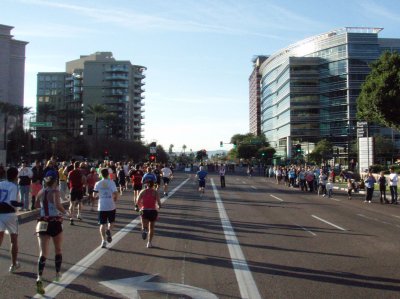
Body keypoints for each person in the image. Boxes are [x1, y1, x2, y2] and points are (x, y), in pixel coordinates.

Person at [34, 170, 69, 295]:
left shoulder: (41, 191)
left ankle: (39, 277)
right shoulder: (55, 191)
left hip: (42, 222)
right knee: (58, 250)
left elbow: (36, 205)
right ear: (56, 180)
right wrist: (66, 213)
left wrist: (45, 208)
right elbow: (57, 204)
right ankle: (58, 274)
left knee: (43, 253)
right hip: (54, 222)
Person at [0, 167, 22, 273]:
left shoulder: (1, 183)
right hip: (10, 214)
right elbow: (13, 202)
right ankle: (13, 265)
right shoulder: (14, 186)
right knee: (14, 239)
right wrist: (21, 204)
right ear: (15, 176)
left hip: (0, 213)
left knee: (0, 237)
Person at [93, 168, 118, 248]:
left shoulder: (97, 183)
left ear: (101, 174)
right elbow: (115, 193)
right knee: (111, 222)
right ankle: (109, 231)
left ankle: (103, 241)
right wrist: (115, 199)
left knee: (102, 224)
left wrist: (98, 197)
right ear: (108, 174)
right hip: (111, 205)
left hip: (102, 206)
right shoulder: (112, 182)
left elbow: (94, 195)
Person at [136, 174, 161, 248]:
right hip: (153, 211)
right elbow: (159, 202)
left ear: (146, 185)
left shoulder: (143, 191)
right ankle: (149, 243)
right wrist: (159, 206)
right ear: (153, 185)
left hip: (144, 210)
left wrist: (140, 207)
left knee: (144, 225)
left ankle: (144, 230)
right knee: (152, 227)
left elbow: (137, 201)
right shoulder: (155, 192)